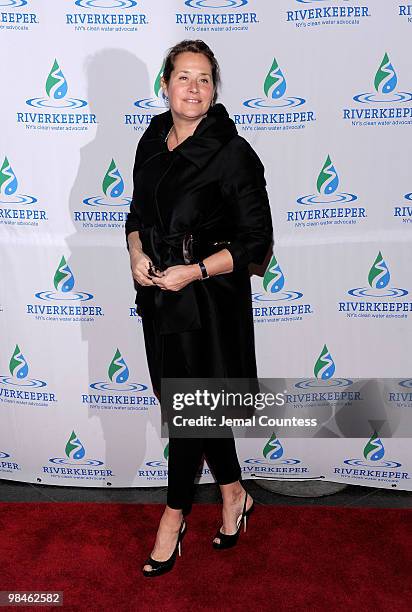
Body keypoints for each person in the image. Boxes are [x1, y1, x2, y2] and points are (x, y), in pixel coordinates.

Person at [125, 39, 273, 577]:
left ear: (215, 88)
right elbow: (136, 213)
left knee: (188, 412)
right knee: (192, 405)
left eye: (204, 78)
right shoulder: (150, 140)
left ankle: (173, 516)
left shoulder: (233, 152)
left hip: (207, 300)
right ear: (165, 84)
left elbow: (256, 241)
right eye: (184, 77)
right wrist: (137, 251)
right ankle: (235, 494)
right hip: (159, 296)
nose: (194, 88)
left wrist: (194, 270)